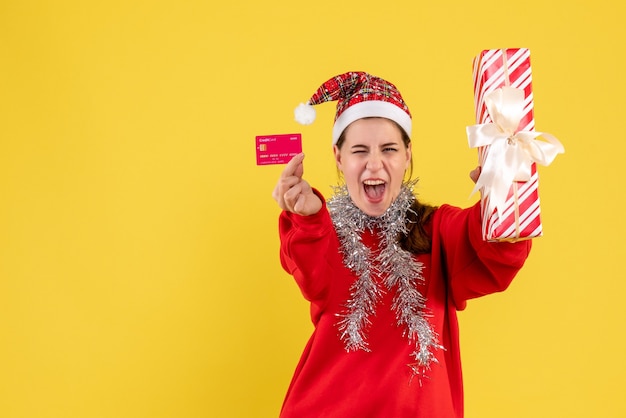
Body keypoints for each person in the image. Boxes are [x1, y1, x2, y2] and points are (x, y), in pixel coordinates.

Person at [272, 71, 531, 418]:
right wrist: (307, 218)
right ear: (338, 157)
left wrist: (502, 210)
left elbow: (488, 251)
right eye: (359, 150)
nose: (374, 164)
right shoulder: (325, 230)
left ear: (408, 154)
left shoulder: (437, 230)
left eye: (389, 149)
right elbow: (313, 274)